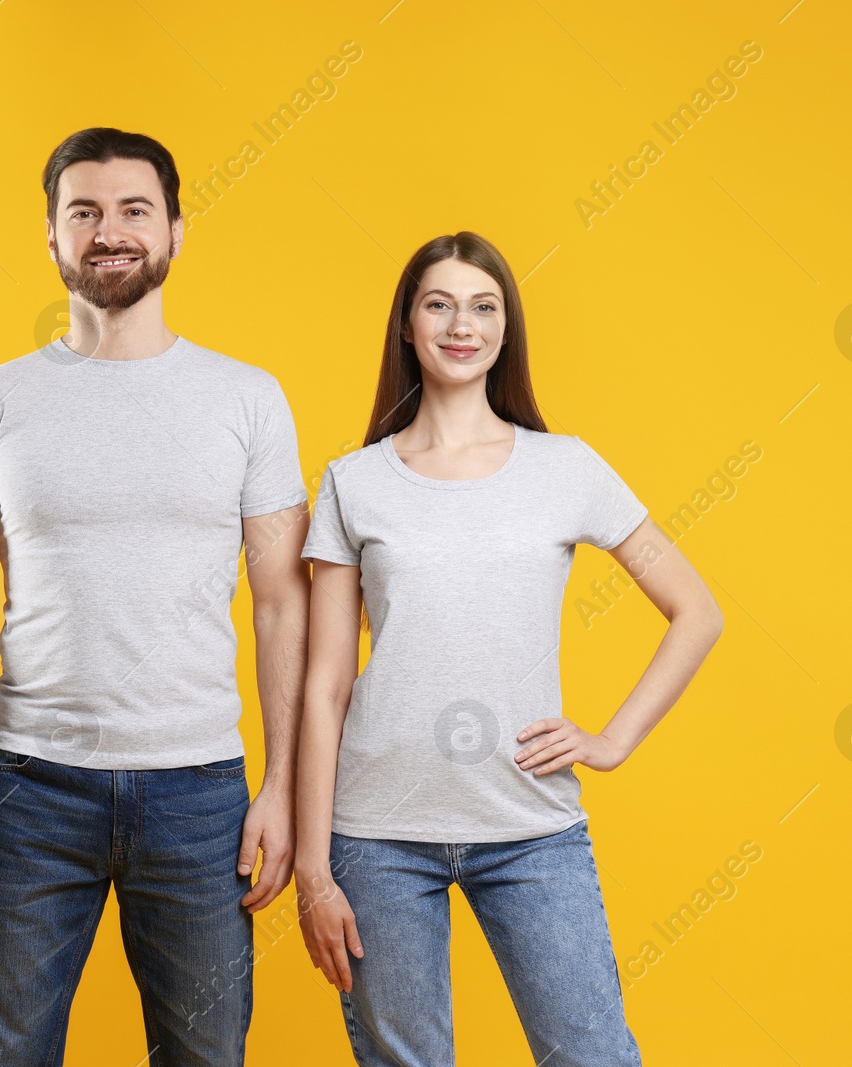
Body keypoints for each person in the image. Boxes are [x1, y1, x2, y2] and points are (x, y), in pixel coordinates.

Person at [0, 127, 311, 1067]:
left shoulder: (249, 399)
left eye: (134, 208)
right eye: (83, 211)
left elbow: (284, 603)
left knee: (204, 1056)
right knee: (5, 1055)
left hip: (201, 792)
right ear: (50, 237)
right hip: (32, 789)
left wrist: (283, 787)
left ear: (176, 228)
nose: (109, 230)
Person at [294, 231, 722, 1066]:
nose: (463, 324)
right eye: (440, 303)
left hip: (531, 825)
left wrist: (611, 739)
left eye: (484, 306)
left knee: (592, 1052)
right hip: (376, 832)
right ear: (408, 326)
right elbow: (323, 687)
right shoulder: (355, 480)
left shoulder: (566, 467)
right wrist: (315, 870)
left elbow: (697, 610)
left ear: (506, 327)